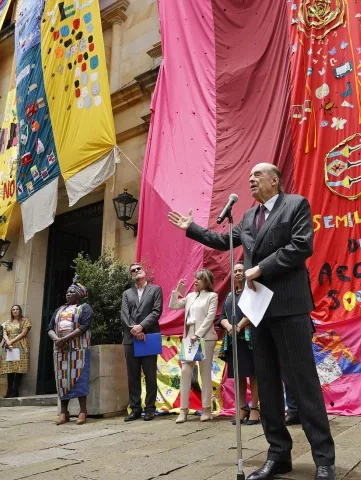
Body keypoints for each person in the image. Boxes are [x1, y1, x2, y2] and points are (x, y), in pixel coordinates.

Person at [168, 163, 336, 480]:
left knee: (303, 384)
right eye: (249, 177)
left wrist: (259, 269)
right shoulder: (247, 217)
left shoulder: (295, 205)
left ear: (275, 179)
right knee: (268, 384)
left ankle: (324, 459)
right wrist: (192, 228)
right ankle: (278, 455)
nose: (251, 179)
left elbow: (302, 246)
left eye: (257, 175)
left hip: (288, 305)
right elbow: (222, 241)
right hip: (258, 311)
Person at [169, 269, 218, 423]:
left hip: (205, 338)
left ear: (206, 281)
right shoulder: (190, 296)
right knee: (185, 371)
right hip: (189, 338)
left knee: (205, 373)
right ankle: (183, 410)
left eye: (199, 279)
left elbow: (210, 317)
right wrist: (177, 291)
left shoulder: (212, 296)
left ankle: (206, 409)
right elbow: (174, 306)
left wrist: (199, 334)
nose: (195, 281)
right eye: (195, 278)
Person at [219, 261, 260, 426]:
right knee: (239, 376)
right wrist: (229, 326)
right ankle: (243, 408)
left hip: (250, 339)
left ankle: (256, 409)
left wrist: (239, 326)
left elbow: (254, 311)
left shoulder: (252, 292)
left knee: (254, 375)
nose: (237, 273)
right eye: (235, 271)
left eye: (241, 270)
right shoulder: (229, 296)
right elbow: (221, 317)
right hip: (234, 341)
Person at [121, 263, 163, 422]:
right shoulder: (127, 293)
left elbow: (156, 311)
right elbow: (124, 314)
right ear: (131, 275)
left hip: (149, 337)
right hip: (131, 338)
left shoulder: (156, 290)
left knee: (150, 374)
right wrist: (135, 329)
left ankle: (150, 408)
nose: (136, 271)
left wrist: (142, 327)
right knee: (132, 375)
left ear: (144, 272)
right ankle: (135, 408)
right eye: (133, 270)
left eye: (138, 268)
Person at [47, 281, 93, 425]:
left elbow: (84, 326)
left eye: (72, 292)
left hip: (79, 350)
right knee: (62, 380)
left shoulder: (84, 308)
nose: (68, 294)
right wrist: (57, 340)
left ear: (79, 295)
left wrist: (65, 338)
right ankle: (63, 412)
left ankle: (83, 411)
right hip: (61, 350)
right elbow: (49, 327)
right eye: (67, 292)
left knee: (80, 379)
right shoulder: (59, 310)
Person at [0, 305, 31, 398]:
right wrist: (8, 342)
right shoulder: (6, 322)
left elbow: (23, 333)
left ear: (20, 311)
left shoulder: (25, 321)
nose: (15, 311)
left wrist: (12, 341)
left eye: (17, 309)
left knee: (19, 368)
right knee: (9, 368)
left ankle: (15, 390)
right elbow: (4, 334)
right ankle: (9, 390)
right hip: (9, 346)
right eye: (13, 309)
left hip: (21, 345)